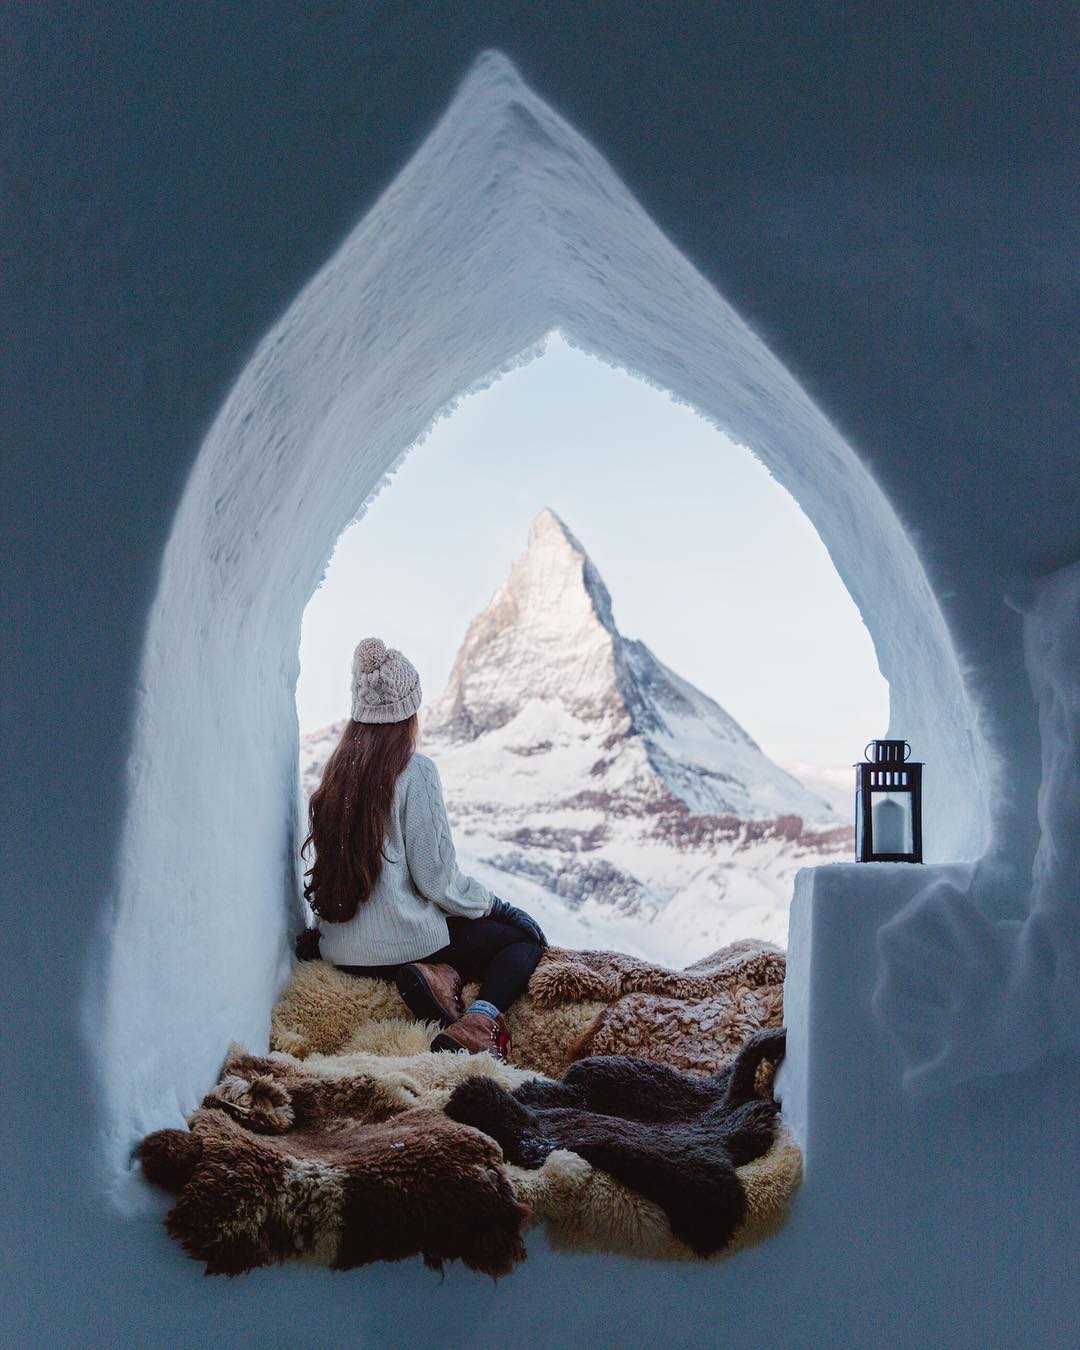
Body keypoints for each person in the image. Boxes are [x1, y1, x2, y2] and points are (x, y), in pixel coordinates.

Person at [299, 636, 547, 1062]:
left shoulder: (335, 776)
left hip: (341, 951)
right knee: (522, 943)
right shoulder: (416, 772)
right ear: (408, 713)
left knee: (472, 934)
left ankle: (438, 975)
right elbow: (437, 880)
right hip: (402, 949)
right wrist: (497, 907)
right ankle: (477, 1023)